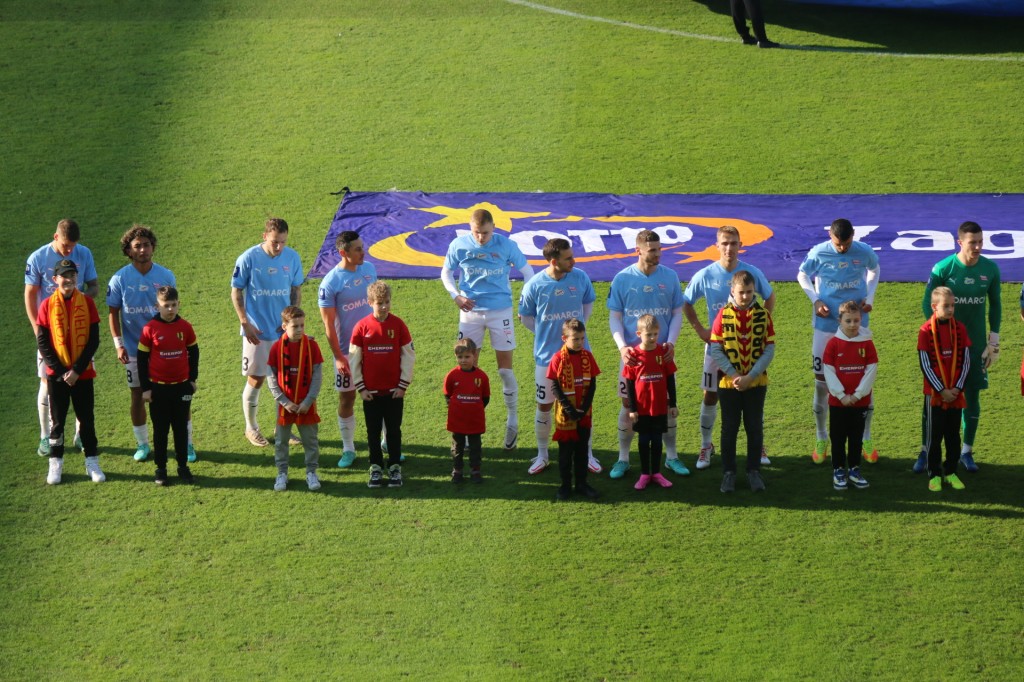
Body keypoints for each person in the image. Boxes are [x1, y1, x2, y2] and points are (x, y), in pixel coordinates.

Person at [683, 225, 775, 470]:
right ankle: (706, 445)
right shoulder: (705, 274)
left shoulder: (751, 272)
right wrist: (701, 330)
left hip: (748, 348)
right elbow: (686, 302)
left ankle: (758, 445)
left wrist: (760, 325)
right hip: (717, 348)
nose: (729, 248)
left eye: (733, 243)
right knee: (710, 395)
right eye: (724, 243)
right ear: (717, 246)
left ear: (740, 245)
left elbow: (770, 296)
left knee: (753, 395)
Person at [441, 209, 533, 450]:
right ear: (470, 229)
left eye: (485, 233)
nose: (480, 237)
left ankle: (512, 421)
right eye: (476, 233)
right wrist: (456, 295)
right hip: (470, 313)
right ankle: (466, 427)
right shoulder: (459, 245)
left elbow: (528, 272)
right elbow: (446, 271)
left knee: (505, 370)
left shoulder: (507, 245)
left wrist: (523, 304)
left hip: (500, 311)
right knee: (467, 369)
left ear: (493, 227)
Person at [918, 221, 1001, 473]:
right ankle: (925, 451)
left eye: (980, 242)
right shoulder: (943, 268)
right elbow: (927, 303)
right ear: (960, 242)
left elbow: (996, 305)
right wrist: (935, 336)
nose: (977, 247)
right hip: (943, 348)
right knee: (933, 399)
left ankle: (966, 451)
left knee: (972, 396)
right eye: (972, 242)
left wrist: (993, 341)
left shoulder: (990, 269)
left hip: (974, 347)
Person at [797, 218, 880, 465]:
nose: (842, 248)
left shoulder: (864, 251)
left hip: (857, 325)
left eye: (846, 243)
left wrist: (870, 297)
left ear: (853, 235)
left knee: (864, 381)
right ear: (830, 237)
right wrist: (815, 299)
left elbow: (875, 269)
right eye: (838, 244)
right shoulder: (819, 252)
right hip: (825, 325)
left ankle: (866, 438)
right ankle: (821, 437)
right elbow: (802, 274)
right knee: (821, 383)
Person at [606, 229, 688, 479]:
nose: (658, 254)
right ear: (638, 251)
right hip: (633, 358)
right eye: (652, 250)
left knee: (667, 404)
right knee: (628, 404)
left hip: (662, 355)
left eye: (659, 249)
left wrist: (671, 343)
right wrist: (622, 347)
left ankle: (671, 457)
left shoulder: (670, 276)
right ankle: (623, 458)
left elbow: (677, 313)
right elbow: (614, 317)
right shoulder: (622, 279)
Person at [518, 237, 598, 476]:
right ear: (554, 261)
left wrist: (577, 332)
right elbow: (525, 317)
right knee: (544, 405)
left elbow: (588, 304)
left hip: (579, 356)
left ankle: (588, 454)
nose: (573, 261)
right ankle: (542, 455)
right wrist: (543, 332)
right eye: (568, 258)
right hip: (546, 357)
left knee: (584, 406)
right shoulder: (534, 285)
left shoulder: (580, 277)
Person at [24, 219, 98, 457]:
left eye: (73, 246)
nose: (69, 251)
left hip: (78, 331)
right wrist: (38, 330)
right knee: (47, 382)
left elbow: (94, 286)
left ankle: (80, 435)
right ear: (56, 237)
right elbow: (30, 294)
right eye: (66, 246)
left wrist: (79, 301)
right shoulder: (38, 258)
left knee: (81, 380)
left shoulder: (84, 253)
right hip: (50, 332)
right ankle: (46, 436)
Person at [107, 224, 181, 462]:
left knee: (174, 396)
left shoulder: (166, 276)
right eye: (137, 246)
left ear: (153, 247)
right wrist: (118, 344)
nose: (142, 250)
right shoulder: (119, 279)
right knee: (137, 395)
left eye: (146, 245)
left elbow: (173, 312)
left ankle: (186, 444)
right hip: (133, 350)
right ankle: (142, 444)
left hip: (163, 350)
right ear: (128, 250)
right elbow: (113, 313)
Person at [231, 218, 305, 448]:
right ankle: (251, 428)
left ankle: (281, 428)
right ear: (265, 237)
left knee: (284, 380)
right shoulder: (248, 258)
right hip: (257, 331)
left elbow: (296, 289)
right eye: (275, 242)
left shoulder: (292, 257)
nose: (279, 246)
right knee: (257, 378)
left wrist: (292, 322)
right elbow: (236, 291)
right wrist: (245, 323)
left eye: (283, 241)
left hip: (282, 332)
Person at [36, 260, 103, 485]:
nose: (69, 279)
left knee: (87, 420)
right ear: (55, 279)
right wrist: (64, 371)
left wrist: (76, 370)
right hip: (57, 375)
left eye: (73, 275)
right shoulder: (46, 305)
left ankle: (92, 462)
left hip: (82, 374)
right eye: (65, 276)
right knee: (57, 422)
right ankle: (55, 463)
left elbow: (93, 340)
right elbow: (43, 343)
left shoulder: (87, 303)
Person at [709, 271, 775, 493]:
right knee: (729, 428)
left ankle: (753, 471)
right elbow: (715, 348)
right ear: (732, 291)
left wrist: (751, 376)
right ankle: (729, 473)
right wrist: (735, 375)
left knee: (754, 427)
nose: (745, 296)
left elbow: (769, 349)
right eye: (741, 292)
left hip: (756, 383)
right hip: (729, 384)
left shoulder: (763, 315)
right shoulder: (723, 314)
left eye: (749, 292)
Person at [317, 230, 377, 468]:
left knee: (381, 394)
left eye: (363, 247)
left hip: (375, 347)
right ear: (343, 252)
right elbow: (328, 325)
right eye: (358, 249)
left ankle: (386, 442)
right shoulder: (330, 283)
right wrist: (339, 357)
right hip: (347, 352)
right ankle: (348, 448)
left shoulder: (369, 270)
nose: (364, 252)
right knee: (347, 398)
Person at [350, 281, 415, 488]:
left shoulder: (399, 325)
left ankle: (395, 466)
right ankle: (376, 466)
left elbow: (408, 356)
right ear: (370, 302)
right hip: (370, 393)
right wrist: (361, 388)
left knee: (394, 430)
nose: (384, 306)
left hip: (395, 392)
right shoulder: (361, 327)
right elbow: (354, 360)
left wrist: (403, 385)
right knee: (373, 431)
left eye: (387, 301)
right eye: (380, 303)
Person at [137, 286, 199, 486]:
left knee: (181, 429)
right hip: (158, 389)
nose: (170, 309)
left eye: (173, 305)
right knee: (160, 431)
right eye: (166, 306)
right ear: (158, 306)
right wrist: (146, 388)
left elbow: (194, 352)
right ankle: (161, 469)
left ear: (178, 304)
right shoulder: (149, 328)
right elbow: (141, 359)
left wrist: (192, 379)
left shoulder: (185, 327)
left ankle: (183, 467)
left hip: (181, 387)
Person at [918, 287, 971, 492]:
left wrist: (957, 388)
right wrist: (942, 390)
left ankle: (951, 472)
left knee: (953, 435)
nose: (950, 310)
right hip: (935, 395)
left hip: (955, 394)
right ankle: (934, 474)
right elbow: (925, 364)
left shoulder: (960, 329)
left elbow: (966, 361)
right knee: (934, 436)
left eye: (952, 305)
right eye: (946, 306)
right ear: (934, 307)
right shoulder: (925, 331)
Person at [267, 306, 324, 492]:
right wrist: (285, 402)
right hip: (285, 406)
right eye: (295, 326)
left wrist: (308, 401)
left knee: (310, 441)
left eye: (302, 325)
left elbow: (317, 378)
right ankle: (282, 473)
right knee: (281, 442)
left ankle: (311, 472)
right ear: (284, 326)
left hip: (307, 406)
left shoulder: (312, 346)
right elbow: (271, 379)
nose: (300, 330)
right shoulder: (276, 348)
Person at [822, 301, 878, 491]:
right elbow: (828, 371)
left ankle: (854, 470)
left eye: (856, 320)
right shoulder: (833, 344)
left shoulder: (867, 343)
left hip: (860, 402)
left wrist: (857, 395)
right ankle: (838, 470)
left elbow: (871, 370)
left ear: (861, 320)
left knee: (856, 437)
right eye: (848, 321)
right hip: (838, 403)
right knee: (838, 437)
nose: (853, 325)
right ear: (840, 320)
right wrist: (841, 395)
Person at [548, 319, 601, 501]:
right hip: (566, 416)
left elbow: (592, 384)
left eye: (582, 338)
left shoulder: (588, 356)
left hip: (584, 415)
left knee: (582, 452)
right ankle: (565, 486)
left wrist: (583, 409)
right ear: (564, 338)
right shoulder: (557, 358)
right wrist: (570, 410)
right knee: (565, 454)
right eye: (575, 339)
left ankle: (581, 484)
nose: (580, 342)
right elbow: (555, 387)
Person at [622, 315, 676, 491]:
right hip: (642, 408)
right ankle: (645, 474)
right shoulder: (633, 356)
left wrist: (673, 404)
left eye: (655, 334)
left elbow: (670, 380)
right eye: (648, 335)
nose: (653, 338)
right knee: (644, 441)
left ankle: (657, 473)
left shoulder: (663, 353)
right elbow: (629, 384)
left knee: (657, 441)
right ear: (639, 334)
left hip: (659, 407)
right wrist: (633, 409)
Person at [443, 338, 490, 483]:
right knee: (457, 446)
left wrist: (474, 409)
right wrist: (457, 408)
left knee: (475, 447)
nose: (463, 360)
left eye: (467, 357)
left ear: (474, 355)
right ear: (456, 356)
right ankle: (457, 470)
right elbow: (447, 394)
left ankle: (475, 470)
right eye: (460, 357)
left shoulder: (481, 376)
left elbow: (485, 397)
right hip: (457, 419)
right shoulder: (452, 375)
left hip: (475, 419)